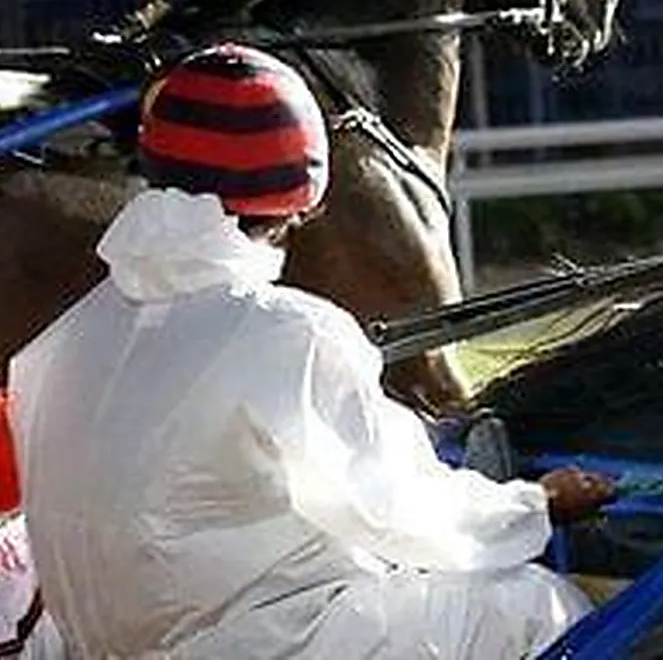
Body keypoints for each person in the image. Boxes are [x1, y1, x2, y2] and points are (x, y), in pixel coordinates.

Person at [8, 43, 616, 659]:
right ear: (301, 198)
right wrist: (534, 505)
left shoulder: (58, 342)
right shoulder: (293, 333)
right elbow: (403, 513)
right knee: (534, 604)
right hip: (258, 647)